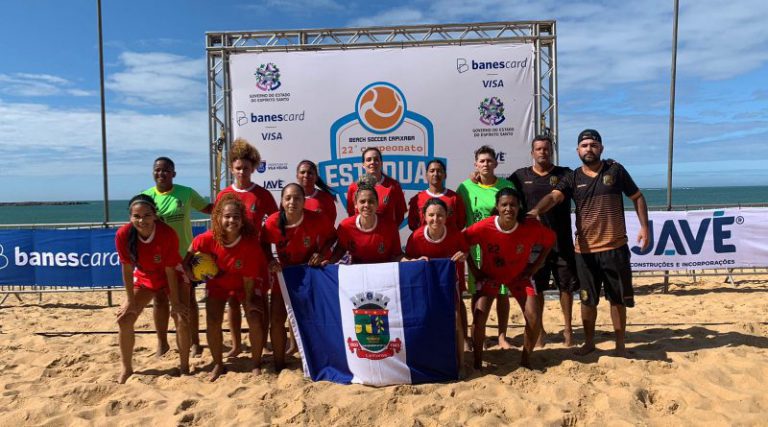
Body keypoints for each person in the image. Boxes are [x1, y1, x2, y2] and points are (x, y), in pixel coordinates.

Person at [528, 129, 650, 357]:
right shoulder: (573, 177)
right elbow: (554, 196)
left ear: (601, 149)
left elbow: (637, 197)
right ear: (577, 150)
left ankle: (620, 344)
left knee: (617, 299)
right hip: (584, 251)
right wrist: (536, 210)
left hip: (615, 248)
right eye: (584, 145)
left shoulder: (615, 170)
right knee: (587, 300)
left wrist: (645, 227)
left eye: (593, 145)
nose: (589, 149)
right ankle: (589, 342)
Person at [464, 188, 555, 370]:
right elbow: (462, 241)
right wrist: (474, 269)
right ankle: (477, 363)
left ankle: (526, 360)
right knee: (479, 317)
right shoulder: (484, 227)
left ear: (519, 207)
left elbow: (550, 240)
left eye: (513, 205)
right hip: (490, 277)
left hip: (519, 277)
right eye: (504, 205)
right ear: (497, 207)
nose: (508, 209)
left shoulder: (530, 226)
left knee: (534, 317)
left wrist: (534, 266)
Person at [184, 194, 268, 381]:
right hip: (218, 284)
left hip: (244, 284)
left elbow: (248, 279)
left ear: (242, 219)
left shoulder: (250, 244)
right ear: (219, 218)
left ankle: (256, 363)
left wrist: (248, 302)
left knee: (254, 317)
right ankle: (218, 364)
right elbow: (187, 258)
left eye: (236, 216)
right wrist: (191, 274)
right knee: (213, 321)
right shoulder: (206, 238)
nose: (231, 220)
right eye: (227, 216)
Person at [510, 135, 579, 347]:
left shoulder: (565, 174)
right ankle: (539, 331)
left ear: (551, 151)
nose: (542, 152)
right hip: (533, 245)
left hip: (561, 241)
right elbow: (499, 191)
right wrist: (476, 177)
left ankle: (568, 330)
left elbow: (588, 183)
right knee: (537, 289)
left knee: (565, 288)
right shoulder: (519, 177)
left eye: (546, 149)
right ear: (532, 152)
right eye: (538, 149)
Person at [115, 194, 190, 384]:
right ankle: (126, 368)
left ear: (155, 215)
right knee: (124, 319)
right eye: (137, 216)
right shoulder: (123, 234)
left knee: (180, 316)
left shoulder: (167, 233)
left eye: (147, 215)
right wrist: (130, 301)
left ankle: (184, 366)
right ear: (130, 217)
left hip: (172, 275)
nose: (142, 220)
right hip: (146, 276)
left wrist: (175, 303)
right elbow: (126, 268)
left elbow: (170, 271)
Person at [262, 183, 337, 372]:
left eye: (297, 198)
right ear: (281, 201)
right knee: (277, 319)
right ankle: (279, 364)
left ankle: (316, 358)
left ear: (304, 202)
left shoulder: (316, 219)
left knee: (312, 318)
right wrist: (271, 259)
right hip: (284, 274)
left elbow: (333, 237)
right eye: (288, 198)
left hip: (309, 274)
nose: (292, 202)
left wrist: (321, 253)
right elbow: (262, 243)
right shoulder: (272, 222)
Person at [142, 157, 212, 358]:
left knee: (188, 301)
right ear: (153, 172)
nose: (161, 173)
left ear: (174, 173)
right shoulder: (146, 197)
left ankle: (195, 343)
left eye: (166, 170)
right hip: (157, 260)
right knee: (160, 301)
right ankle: (162, 344)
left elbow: (208, 209)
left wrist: (229, 204)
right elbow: (139, 225)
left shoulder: (186, 193)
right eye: (157, 170)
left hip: (183, 258)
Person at [215, 139, 278, 358]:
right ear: (232, 168)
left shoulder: (262, 195)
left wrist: (270, 256)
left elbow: (273, 226)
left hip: (257, 257)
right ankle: (236, 344)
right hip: (231, 257)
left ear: (253, 168)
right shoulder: (223, 196)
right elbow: (217, 229)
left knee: (260, 301)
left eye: (246, 168)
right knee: (233, 300)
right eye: (238, 167)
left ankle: (266, 339)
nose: (242, 171)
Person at [456, 145, 517, 349]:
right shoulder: (465, 187)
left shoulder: (507, 185)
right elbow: (459, 219)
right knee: (477, 293)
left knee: (502, 292)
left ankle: (502, 336)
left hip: (501, 248)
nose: (486, 164)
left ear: (496, 163)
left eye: (489, 161)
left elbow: (515, 215)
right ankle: (477, 336)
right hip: (477, 250)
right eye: (482, 161)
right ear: (476, 164)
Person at [405, 198, 470, 351]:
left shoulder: (455, 234)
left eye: (440, 215)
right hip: (425, 286)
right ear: (425, 216)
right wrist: (415, 260)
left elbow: (465, 251)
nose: (435, 219)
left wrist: (463, 255)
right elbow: (406, 258)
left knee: (456, 318)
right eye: (431, 215)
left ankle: (460, 361)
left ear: (446, 216)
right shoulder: (416, 237)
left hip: (449, 284)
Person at [331, 175, 407, 264]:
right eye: (362, 201)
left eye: (371, 201)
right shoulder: (345, 226)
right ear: (355, 204)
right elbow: (339, 251)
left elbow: (397, 256)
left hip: (384, 274)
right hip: (358, 274)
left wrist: (411, 261)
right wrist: (327, 263)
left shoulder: (390, 227)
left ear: (377, 204)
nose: (366, 205)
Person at [345, 147, 407, 226]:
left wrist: (389, 230)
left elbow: (400, 215)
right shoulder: (353, 187)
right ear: (363, 165)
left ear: (381, 163)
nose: (372, 162)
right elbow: (352, 215)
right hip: (362, 235)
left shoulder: (394, 186)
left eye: (376, 159)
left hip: (385, 235)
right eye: (368, 159)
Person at [407, 159, 467, 232]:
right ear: (426, 175)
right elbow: (412, 224)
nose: (435, 174)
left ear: (445, 175)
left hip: (449, 242)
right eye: (432, 171)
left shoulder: (454, 198)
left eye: (439, 171)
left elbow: (461, 223)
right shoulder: (417, 199)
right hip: (424, 242)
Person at [296, 160, 338, 225]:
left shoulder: (326, 198)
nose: (306, 175)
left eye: (310, 173)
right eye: (302, 172)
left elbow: (330, 225)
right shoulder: (290, 198)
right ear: (297, 176)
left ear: (316, 177)